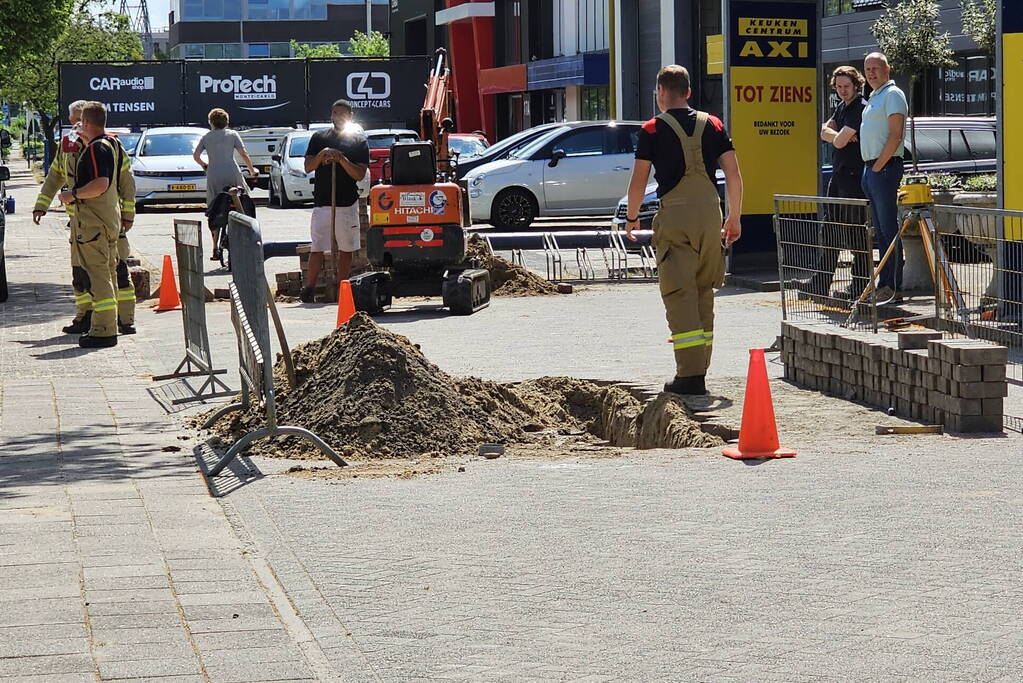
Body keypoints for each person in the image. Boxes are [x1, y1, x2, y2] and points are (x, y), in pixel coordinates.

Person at [625, 65, 742, 396]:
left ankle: (689, 377)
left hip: (676, 218)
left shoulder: (651, 129)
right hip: (710, 215)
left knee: (680, 294)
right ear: (688, 92)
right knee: (704, 291)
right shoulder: (713, 124)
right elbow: (733, 174)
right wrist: (734, 217)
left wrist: (632, 218)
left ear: (661, 92)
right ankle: (699, 369)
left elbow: (638, 181)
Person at [35, 101, 137, 335]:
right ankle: (86, 317)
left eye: (79, 121)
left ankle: (123, 319)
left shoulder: (107, 145)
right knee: (81, 273)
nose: (75, 126)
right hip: (81, 223)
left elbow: (125, 182)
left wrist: (128, 214)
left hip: (107, 220)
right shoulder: (68, 146)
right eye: (73, 122)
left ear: (88, 121)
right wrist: (41, 205)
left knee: (117, 271)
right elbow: (55, 176)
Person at [57, 102, 125, 348]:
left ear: (86, 123)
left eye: (79, 123)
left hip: (94, 225)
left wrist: (72, 194)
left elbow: (100, 184)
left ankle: (103, 330)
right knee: (107, 274)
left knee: (97, 277)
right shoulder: (110, 144)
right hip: (107, 221)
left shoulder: (97, 149)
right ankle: (108, 324)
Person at [804, 66, 871, 299]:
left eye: (847, 86)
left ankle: (859, 285)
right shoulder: (842, 107)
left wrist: (838, 137)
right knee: (829, 231)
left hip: (853, 180)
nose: (842, 90)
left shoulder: (860, 108)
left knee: (855, 234)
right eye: (839, 86)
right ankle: (820, 283)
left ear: (856, 85)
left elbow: (840, 141)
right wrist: (838, 136)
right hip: (838, 176)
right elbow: (824, 132)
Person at [300, 99, 369, 304]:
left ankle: (342, 290)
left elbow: (358, 174)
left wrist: (341, 160)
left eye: (343, 114)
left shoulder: (358, 141)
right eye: (336, 113)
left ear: (350, 116)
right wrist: (322, 156)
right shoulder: (319, 138)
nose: (339, 117)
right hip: (322, 200)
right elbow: (308, 167)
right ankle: (309, 288)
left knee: (346, 248)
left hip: (346, 201)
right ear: (331, 114)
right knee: (317, 246)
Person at [860, 52, 908, 305]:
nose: (871, 73)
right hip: (872, 169)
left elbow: (895, 135)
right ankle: (883, 283)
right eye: (867, 69)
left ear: (887, 69)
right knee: (880, 230)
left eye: (876, 68)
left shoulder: (893, 94)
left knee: (889, 229)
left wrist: (878, 166)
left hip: (884, 169)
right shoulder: (874, 97)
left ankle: (891, 285)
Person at [193, 108, 256, 260]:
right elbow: (243, 153)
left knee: (214, 209)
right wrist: (252, 170)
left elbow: (196, 155)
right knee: (242, 200)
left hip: (214, 175)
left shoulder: (206, 137)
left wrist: (205, 165)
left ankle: (215, 247)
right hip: (231, 172)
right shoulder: (232, 134)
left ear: (211, 122)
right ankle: (245, 237)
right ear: (226, 122)